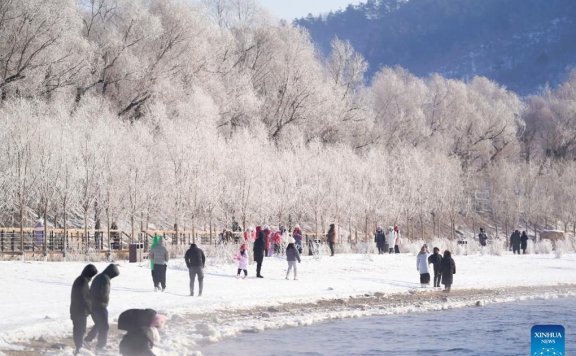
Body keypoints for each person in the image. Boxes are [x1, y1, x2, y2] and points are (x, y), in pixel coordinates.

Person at [85, 263, 120, 350]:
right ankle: (101, 346)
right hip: (99, 306)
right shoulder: (105, 278)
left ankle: (87, 340)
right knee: (104, 326)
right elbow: (103, 293)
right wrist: (104, 300)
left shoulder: (100, 276)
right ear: (112, 273)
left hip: (93, 305)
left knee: (98, 324)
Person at [70, 264, 98, 355]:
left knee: (78, 329)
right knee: (80, 330)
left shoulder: (80, 280)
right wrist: (90, 308)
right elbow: (83, 297)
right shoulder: (83, 281)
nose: (92, 278)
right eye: (92, 275)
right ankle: (79, 349)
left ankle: (78, 348)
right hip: (80, 311)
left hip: (77, 310)